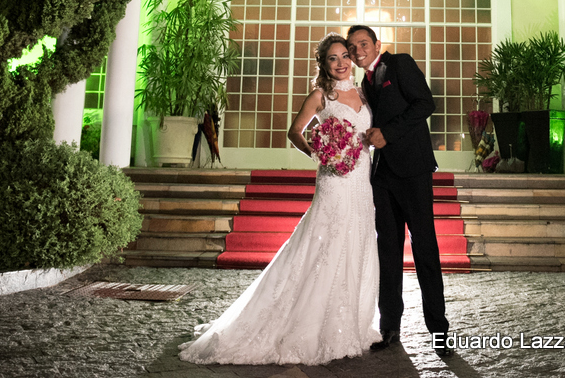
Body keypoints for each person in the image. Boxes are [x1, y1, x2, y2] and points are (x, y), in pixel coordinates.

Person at [179, 33, 380, 365]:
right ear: (324, 64)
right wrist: (321, 153)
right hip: (334, 181)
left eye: (345, 55)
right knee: (325, 245)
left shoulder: (364, 94)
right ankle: (309, 325)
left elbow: (369, 135)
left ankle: (349, 322)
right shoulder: (321, 96)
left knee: (355, 243)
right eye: (333, 58)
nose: (342, 62)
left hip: (361, 181)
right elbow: (295, 131)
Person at [347, 24, 451, 358]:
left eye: (364, 43)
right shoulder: (363, 82)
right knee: (388, 253)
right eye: (353, 46)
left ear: (377, 44)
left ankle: (439, 330)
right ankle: (390, 325)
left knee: (425, 250)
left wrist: (388, 133)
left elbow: (425, 103)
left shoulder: (400, 63)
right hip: (383, 177)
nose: (358, 50)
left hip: (414, 171)